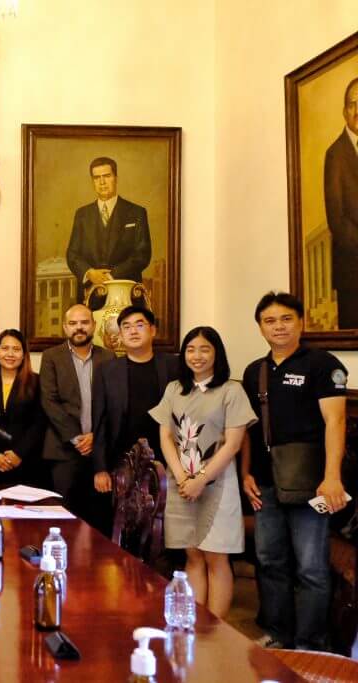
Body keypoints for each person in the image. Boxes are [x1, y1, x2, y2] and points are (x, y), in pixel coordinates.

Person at [241, 291, 348, 651]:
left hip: (310, 482)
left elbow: (336, 422)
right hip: (265, 481)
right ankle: (278, 633)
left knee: (310, 567)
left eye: (286, 319)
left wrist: (332, 477)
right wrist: (246, 473)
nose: (279, 327)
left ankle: (310, 644)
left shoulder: (323, 364)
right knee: (269, 559)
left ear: (301, 322)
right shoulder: (254, 371)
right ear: (260, 328)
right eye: (269, 321)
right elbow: (249, 429)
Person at [148, 327, 256, 619]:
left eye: (205, 349)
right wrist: (183, 478)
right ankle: (195, 625)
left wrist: (201, 480)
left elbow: (233, 444)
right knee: (193, 555)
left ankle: (216, 629)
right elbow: (165, 437)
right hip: (181, 483)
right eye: (191, 349)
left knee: (216, 557)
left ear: (217, 354)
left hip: (217, 484)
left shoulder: (231, 390)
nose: (197, 356)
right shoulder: (174, 389)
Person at [92, 305, 178, 534]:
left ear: (153, 330)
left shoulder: (173, 366)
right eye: (126, 327)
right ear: (120, 334)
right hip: (121, 462)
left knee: (162, 529)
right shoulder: (106, 370)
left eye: (140, 325)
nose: (133, 331)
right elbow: (99, 421)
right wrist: (100, 468)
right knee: (122, 527)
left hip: (165, 461)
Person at [39, 304, 115, 520]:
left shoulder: (108, 357)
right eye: (73, 323)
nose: (79, 327)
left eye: (84, 322)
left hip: (99, 452)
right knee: (65, 516)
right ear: (65, 327)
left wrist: (95, 437)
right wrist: (76, 437)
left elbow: (113, 405)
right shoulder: (51, 356)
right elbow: (49, 401)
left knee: (98, 516)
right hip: (63, 451)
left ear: (94, 325)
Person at [66, 157, 151, 305]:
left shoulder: (137, 212)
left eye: (106, 176)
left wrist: (111, 276)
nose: (102, 182)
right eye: (97, 177)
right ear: (92, 181)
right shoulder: (82, 214)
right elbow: (72, 254)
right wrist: (89, 273)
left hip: (127, 295)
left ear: (116, 178)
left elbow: (142, 254)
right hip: (90, 296)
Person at [0, 329, 47, 487]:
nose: (10, 354)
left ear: (24, 354)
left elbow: (39, 424)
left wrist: (19, 453)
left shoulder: (36, 382)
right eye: (5, 348)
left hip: (27, 463)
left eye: (16, 349)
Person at [323, 77, 358, 328]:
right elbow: (337, 219)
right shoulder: (335, 154)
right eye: (352, 104)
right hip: (352, 272)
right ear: (345, 111)